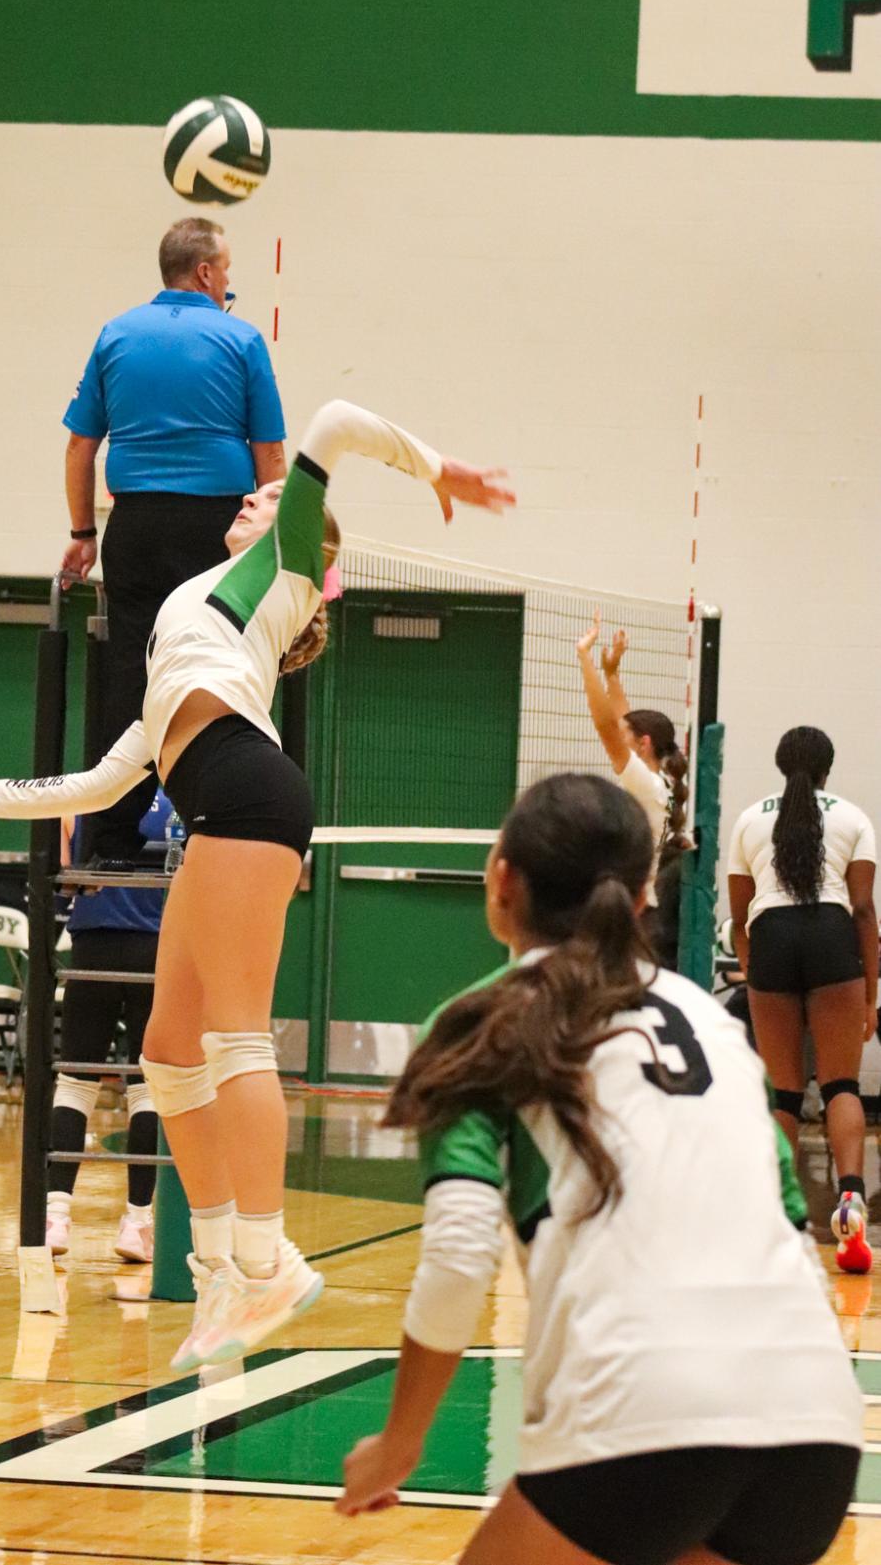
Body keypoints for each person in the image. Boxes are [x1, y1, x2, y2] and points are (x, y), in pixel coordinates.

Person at [0, 397, 514, 1365]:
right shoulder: (198, 620)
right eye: (259, 496)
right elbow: (100, 781)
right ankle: (221, 1264)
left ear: (304, 541)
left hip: (250, 793)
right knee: (171, 1050)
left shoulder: (286, 562)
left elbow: (335, 421)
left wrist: (436, 469)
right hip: (219, 793)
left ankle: (266, 1260)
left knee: (232, 1033)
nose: (258, 495)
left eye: (269, 497)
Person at [335, 773, 862, 1565]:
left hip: (640, 1417)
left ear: (501, 877)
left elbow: (456, 1255)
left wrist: (399, 1442)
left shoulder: (481, 1019)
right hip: (814, 1427)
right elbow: (790, 1225)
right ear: (646, 891)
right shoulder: (713, 1024)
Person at [61, 217, 286, 863]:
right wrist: (275, 541)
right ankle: (215, 824)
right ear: (207, 272)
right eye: (229, 276)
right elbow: (268, 451)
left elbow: (80, 445)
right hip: (216, 527)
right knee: (218, 667)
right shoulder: (242, 338)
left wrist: (83, 533)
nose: (230, 288)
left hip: (133, 523)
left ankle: (110, 838)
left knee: (132, 667)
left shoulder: (117, 333)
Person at [727, 726, 877, 1275]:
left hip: (771, 940)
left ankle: (767, 1216)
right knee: (840, 1085)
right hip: (834, 939)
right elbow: (862, 910)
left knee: (785, 1094)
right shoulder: (854, 817)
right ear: (828, 769)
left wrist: (751, 967)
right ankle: (850, 1202)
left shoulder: (748, 819)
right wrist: (870, 994)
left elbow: (741, 915)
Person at [47, 792, 177, 1266]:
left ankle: (55, 1216)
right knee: (148, 1089)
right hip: (157, 952)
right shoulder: (183, 802)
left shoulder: (83, 798)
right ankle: (137, 1223)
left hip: (93, 951)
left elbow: (61, 884)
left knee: (75, 1083)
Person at [575, 615, 689, 964]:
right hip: (644, 916)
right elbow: (624, 720)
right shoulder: (663, 782)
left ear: (643, 744)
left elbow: (608, 725)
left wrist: (585, 657)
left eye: (628, 741)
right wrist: (612, 674)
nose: (618, 746)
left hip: (639, 920)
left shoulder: (647, 785)